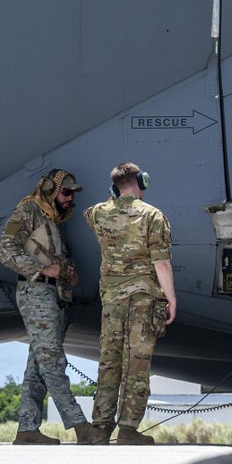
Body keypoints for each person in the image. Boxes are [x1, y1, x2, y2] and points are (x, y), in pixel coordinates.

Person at [0, 168, 97, 445]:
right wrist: (43, 270)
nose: (70, 199)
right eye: (66, 192)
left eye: (72, 194)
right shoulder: (28, 210)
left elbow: (54, 257)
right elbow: (6, 249)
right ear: (51, 190)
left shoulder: (54, 218)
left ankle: (27, 429)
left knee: (38, 366)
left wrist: (66, 272)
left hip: (53, 296)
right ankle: (80, 426)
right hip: (35, 293)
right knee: (52, 361)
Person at [83, 162, 176, 445]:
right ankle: (127, 429)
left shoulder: (99, 213)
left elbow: (95, 210)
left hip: (112, 299)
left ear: (115, 187)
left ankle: (100, 428)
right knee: (137, 362)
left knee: (109, 361)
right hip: (143, 299)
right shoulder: (153, 216)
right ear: (142, 182)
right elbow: (161, 263)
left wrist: (116, 197)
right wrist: (170, 298)